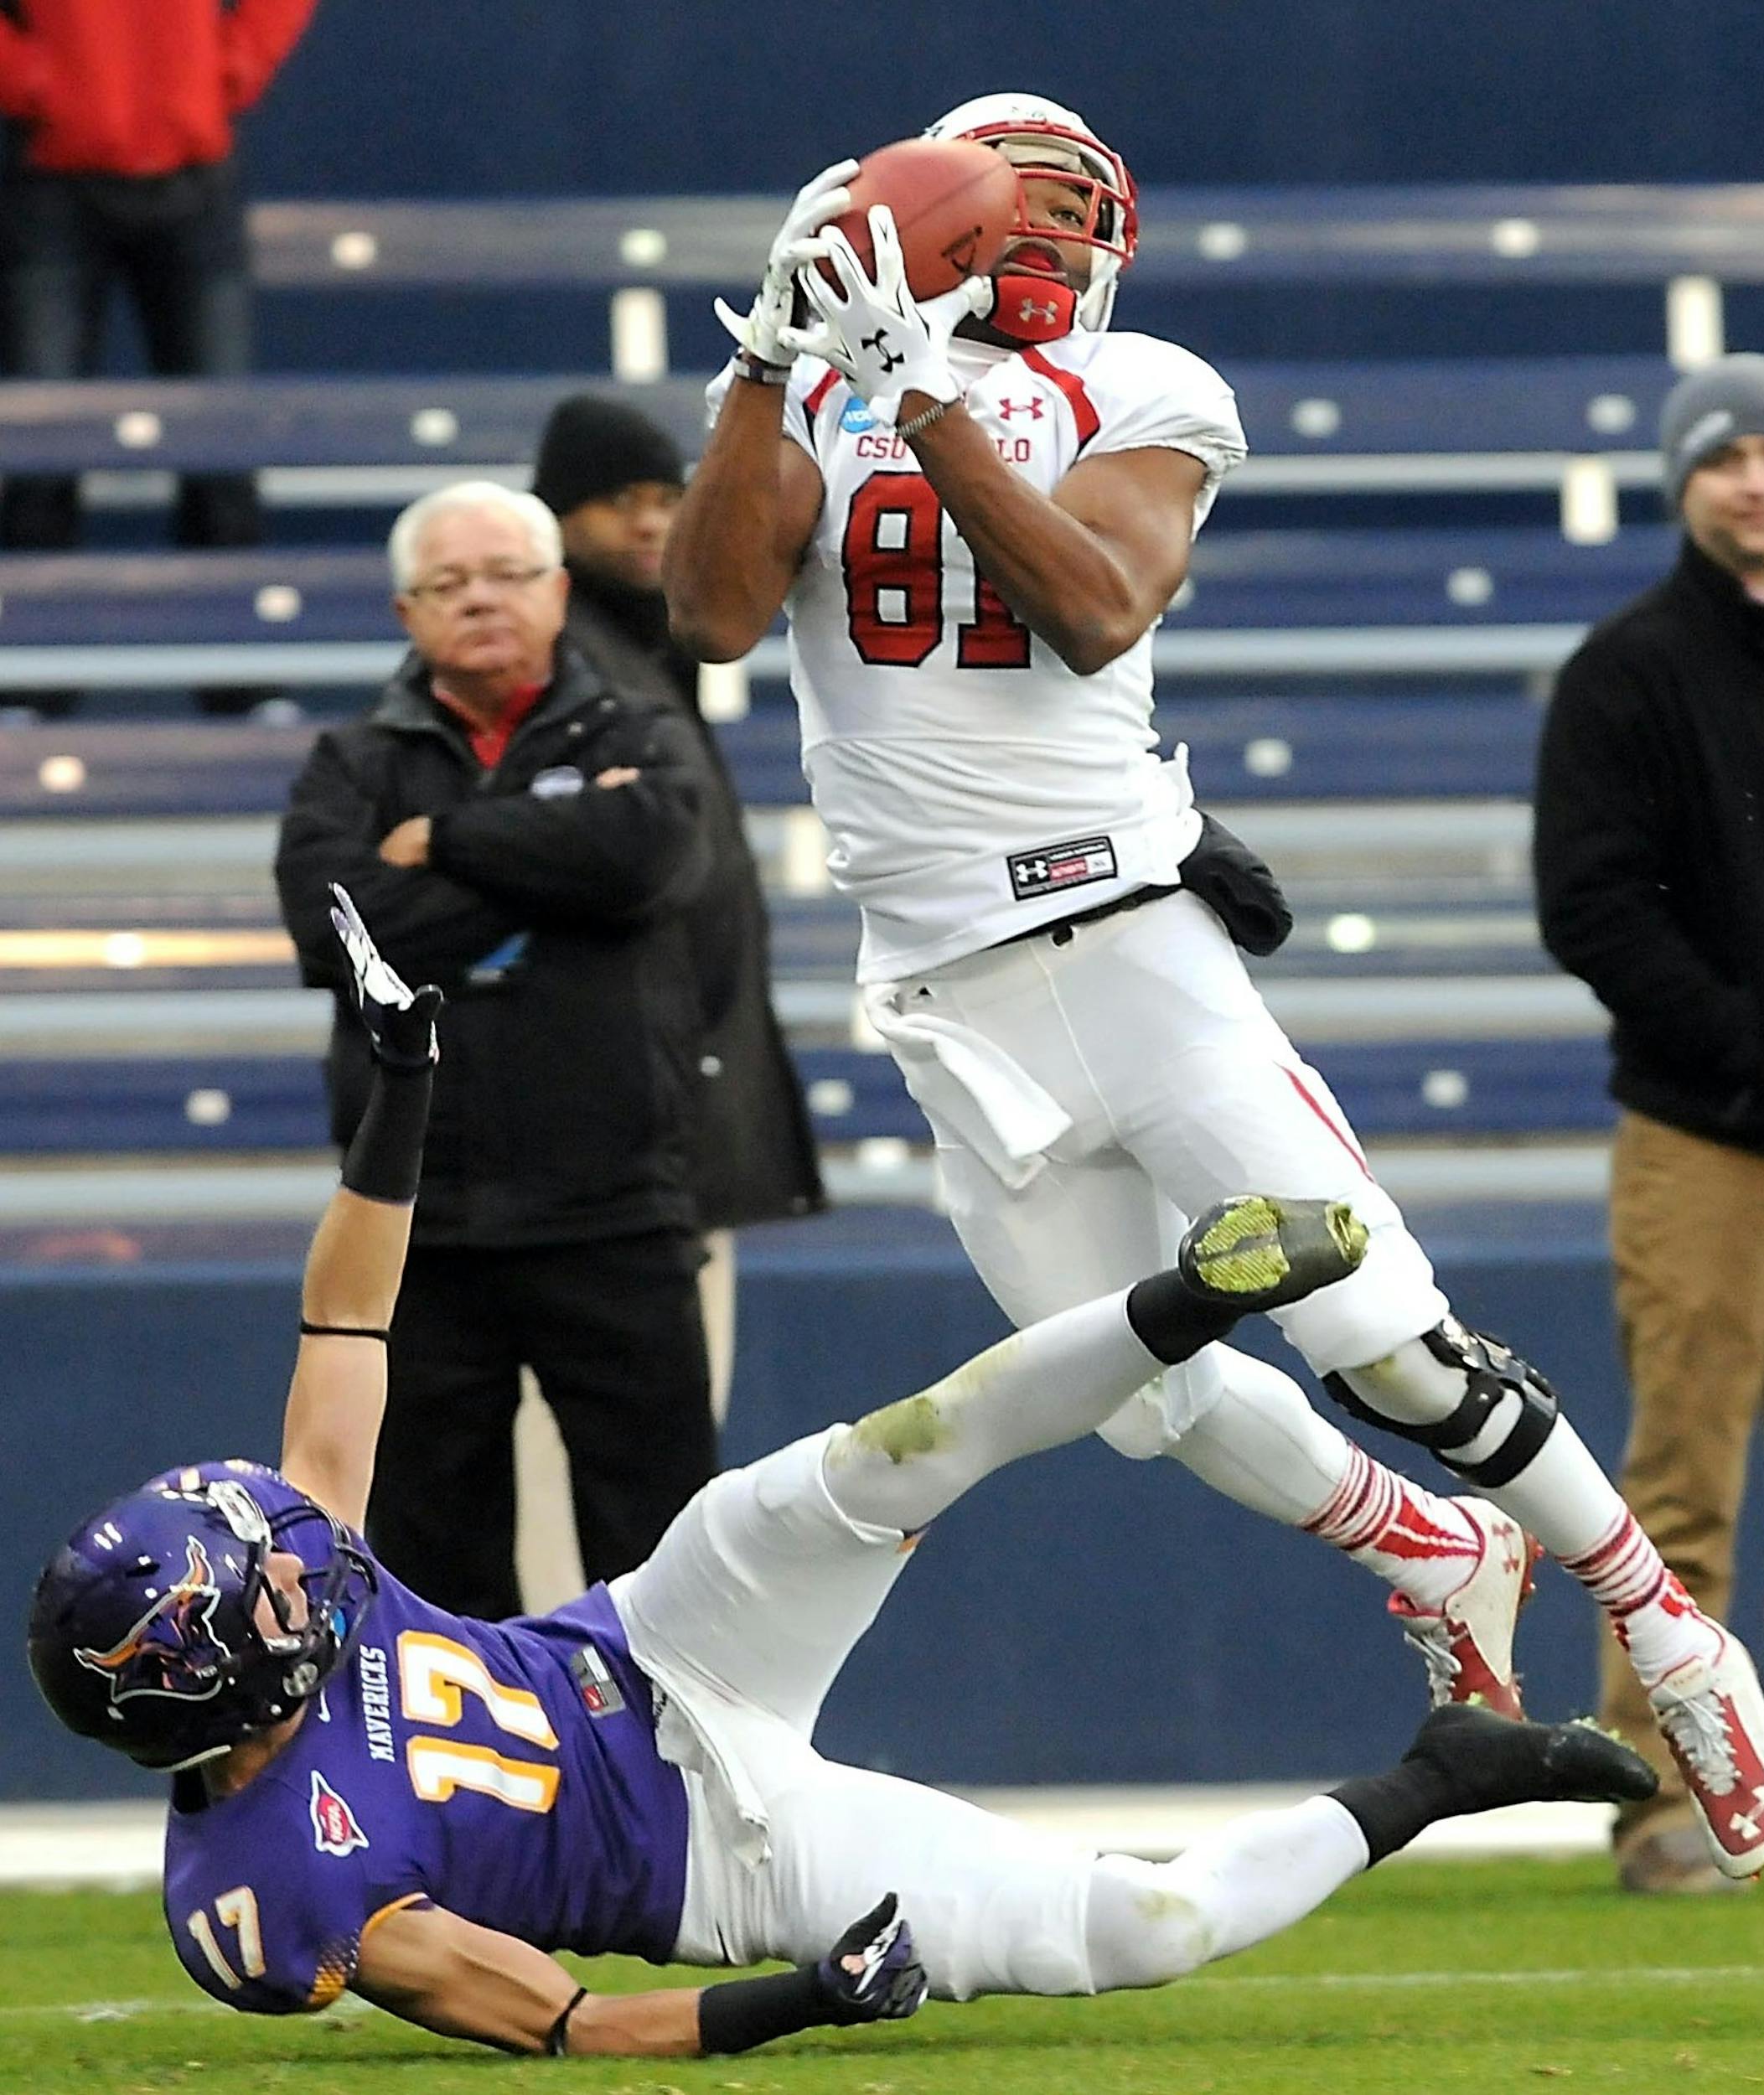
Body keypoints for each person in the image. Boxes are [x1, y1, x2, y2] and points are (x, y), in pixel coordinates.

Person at [660, 91, 1764, 1881]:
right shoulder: (819, 385)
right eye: (985, 210)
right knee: (1126, 1391)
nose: (1020, 243)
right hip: (947, 995)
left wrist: (926, 397)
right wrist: (766, 359)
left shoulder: (1147, 386)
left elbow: (1094, 604)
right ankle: (1423, 1550)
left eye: (1046, 212)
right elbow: (714, 616)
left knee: (1379, 1339)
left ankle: (1665, 1623)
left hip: (1123, 938)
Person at [25, 888, 1659, 2058]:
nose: (296, 1557)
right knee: (1143, 1932)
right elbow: (579, 2023)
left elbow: (349, 1306)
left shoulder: (295, 1580)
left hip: (648, 1636)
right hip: (723, 1854)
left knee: (903, 1447)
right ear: (214, 1672)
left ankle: (1196, 1292)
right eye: (264, 1587)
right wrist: (807, 1994)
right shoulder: (270, 1890)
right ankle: (1447, 1771)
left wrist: (400, 1089)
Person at [273, 479, 718, 1616]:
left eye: (508, 575)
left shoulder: (641, 727)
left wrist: (447, 845)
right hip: (422, 1233)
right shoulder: (352, 762)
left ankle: (689, 1786)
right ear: (405, 613)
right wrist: (555, 875)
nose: (481, 601)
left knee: (668, 1555)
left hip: (617, 1209)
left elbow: (651, 858)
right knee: (431, 1563)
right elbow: (342, 931)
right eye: (448, 584)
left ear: (559, 592)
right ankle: (469, 1790)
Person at [1534, 352, 1764, 1893]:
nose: (1757, 481)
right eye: (1725, 459)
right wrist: (1751, 1046)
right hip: (1712, 1141)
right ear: (1683, 486)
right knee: (1684, 1495)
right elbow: (1591, 906)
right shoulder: (1630, 671)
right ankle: (1682, 1812)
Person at [530, 392, 825, 1422]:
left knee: (665, 1442)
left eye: (668, 498)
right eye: (619, 502)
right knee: (602, 1459)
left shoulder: (653, 650)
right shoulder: (558, 662)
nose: (652, 523)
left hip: (671, 1122)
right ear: (555, 515)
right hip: (617, 1141)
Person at [0, 0, 317, 716]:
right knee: (39, 447)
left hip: (196, 177)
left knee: (221, 445)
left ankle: (242, 683)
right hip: (49, 176)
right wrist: (30, 81)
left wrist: (225, 70)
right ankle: (26, 678)